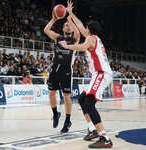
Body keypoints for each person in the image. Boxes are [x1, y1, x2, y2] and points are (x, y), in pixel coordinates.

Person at [58, 1, 113, 148]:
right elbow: (80, 25)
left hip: (102, 74)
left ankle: (105, 138)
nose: (84, 28)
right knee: (83, 99)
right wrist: (70, 13)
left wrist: (67, 45)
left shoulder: (90, 39)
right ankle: (92, 129)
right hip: (98, 74)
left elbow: (81, 47)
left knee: (89, 104)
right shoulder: (93, 37)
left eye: (86, 28)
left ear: (89, 30)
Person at [44, 3, 80, 134]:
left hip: (66, 70)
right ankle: (55, 114)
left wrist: (70, 17)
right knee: (51, 93)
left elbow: (78, 33)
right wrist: (54, 18)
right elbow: (46, 30)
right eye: (65, 24)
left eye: (69, 25)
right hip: (55, 68)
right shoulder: (57, 37)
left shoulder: (74, 39)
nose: (67, 25)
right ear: (63, 28)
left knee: (66, 96)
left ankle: (67, 120)